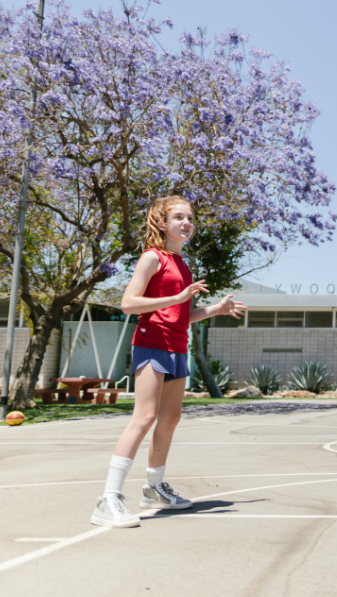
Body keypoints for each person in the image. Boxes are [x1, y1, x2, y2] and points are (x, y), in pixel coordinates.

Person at [91, 196, 247, 528]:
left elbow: (179, 315)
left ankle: (155, 487)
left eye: (190, 217)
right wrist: (177, 297)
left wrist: (215, 310)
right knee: (144, 417)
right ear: (163, 223)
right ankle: (108, 499)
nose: (187, 222)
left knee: (170, 418)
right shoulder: (152, 257)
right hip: (151, 344)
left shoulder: (182, 263)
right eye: (179, 217)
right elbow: (129, 304)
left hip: (177, 345)